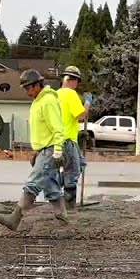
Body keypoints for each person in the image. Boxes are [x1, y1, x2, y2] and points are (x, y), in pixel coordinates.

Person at [0, 69, 67, 230]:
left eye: (28, 88)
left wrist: (57, 151)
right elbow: (43, 130)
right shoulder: (38, 101)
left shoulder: (48, 101)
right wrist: (37, 151)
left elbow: (58, 127)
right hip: (44, 150)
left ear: (37, 84)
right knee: (51, 186)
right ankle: (63, 218)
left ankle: (15, 218)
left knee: (33, 183)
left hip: (49, 150)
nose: (27, 92)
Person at [55, 65, 88, 205]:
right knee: (73, 173)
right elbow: (81, 115)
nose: (77, 85)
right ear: (73, 80)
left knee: (81, 163)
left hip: (57, 140)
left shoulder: (55, 94)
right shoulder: (70, 94)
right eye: (77, 81)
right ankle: (69, 204)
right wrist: (87, 103)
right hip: (68, 140)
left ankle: (52, 182)